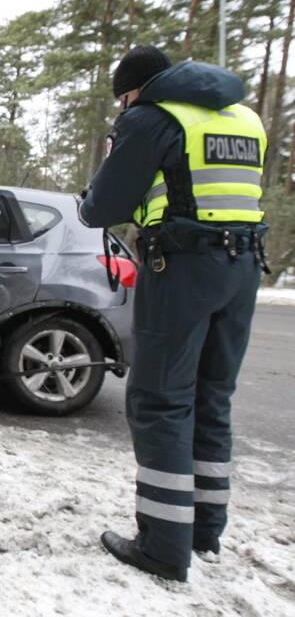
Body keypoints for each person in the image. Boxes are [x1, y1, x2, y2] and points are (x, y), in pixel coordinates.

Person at [80, 45, 269, 582]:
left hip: (184, 264)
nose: (123, 104)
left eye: (123, 95)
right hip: (244, 264)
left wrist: (93, 191)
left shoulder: (153, 117)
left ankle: (164, 545)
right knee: (212, 395)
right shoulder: (245, 118)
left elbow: (106, 205)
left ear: (137, 88)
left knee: (161, 399)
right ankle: (205, 531)